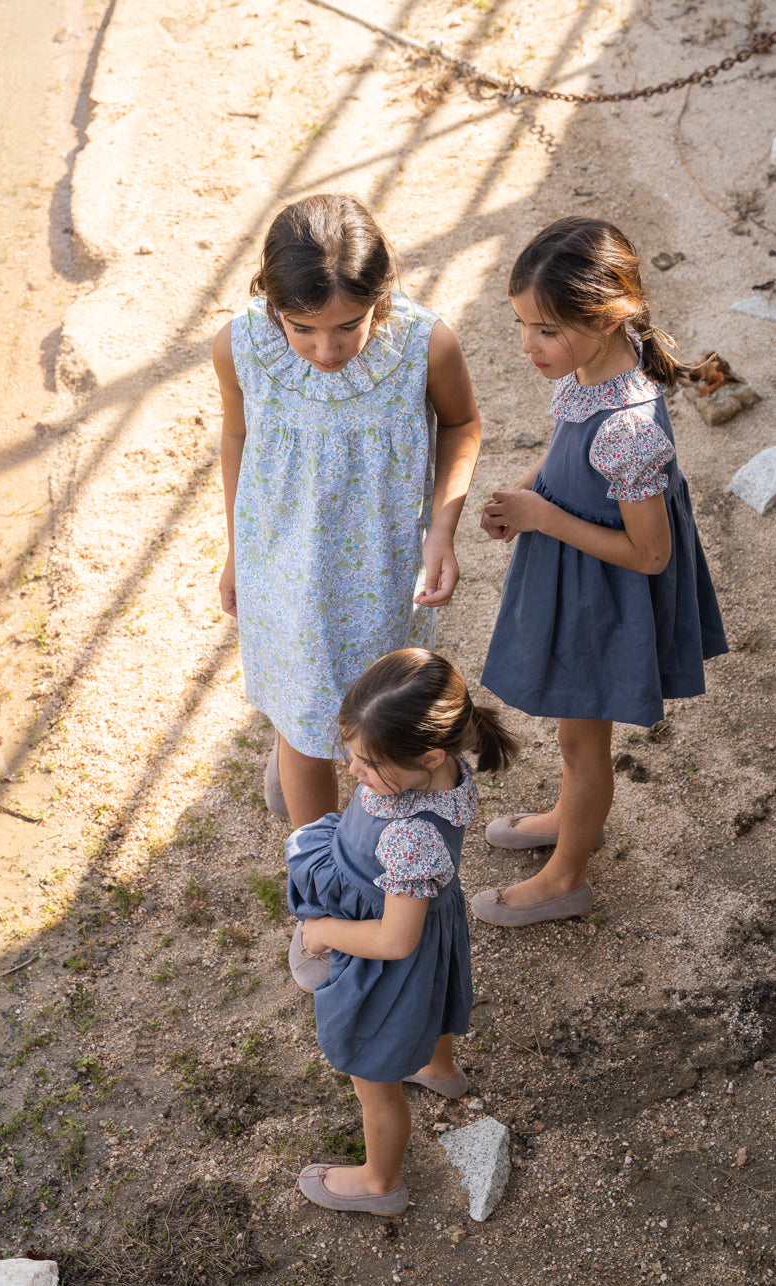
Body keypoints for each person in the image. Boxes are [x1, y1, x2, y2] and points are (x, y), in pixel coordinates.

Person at [473, 216, 727, 927]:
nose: (528, 346)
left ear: (610, 315)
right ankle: (567, 817)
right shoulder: (599, 367)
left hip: (601, 601)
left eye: (546, 330)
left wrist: (540, 516)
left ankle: (566, 876)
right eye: (522, 323)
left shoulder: (627, 430)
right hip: (574, 576)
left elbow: (650, 554)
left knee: (584, 745)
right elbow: (562, 447)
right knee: (570, 736)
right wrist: (524, 491)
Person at [213, 194, 480, 829]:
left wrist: (442, 528)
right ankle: (317, 869)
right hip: (283, 564)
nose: (325, 350)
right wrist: (236, 551)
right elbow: (237, 437)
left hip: (379, 573)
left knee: (374, 709)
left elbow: (461, 424)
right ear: (273, 303)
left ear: (380, 296)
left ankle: (345, 798)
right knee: (307, 726)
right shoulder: (240, 346)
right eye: (301, 328)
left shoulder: (425, 346)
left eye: (347, 326)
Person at [285, 648, 519, 1214]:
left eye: (366, 763)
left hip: (391, 942)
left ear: (430, 753)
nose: (352, 771)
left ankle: (378, 1182)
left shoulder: (411, 835)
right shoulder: (441, 770)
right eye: (352, 754)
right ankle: (438, 1069)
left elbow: (394, 941)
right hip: (427, 923)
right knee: (433, 996)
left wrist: (323, 932)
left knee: (371, 1075)